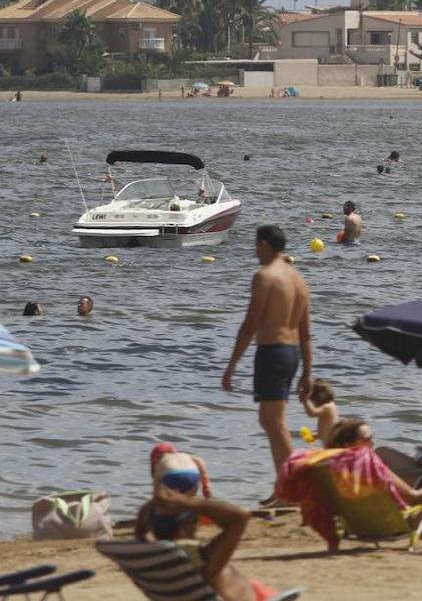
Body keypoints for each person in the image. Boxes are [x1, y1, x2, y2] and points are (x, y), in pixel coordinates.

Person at [222, 225, 313, 500]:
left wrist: (232, 365)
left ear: (263, 245)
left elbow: (251, 322)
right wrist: (307, 372)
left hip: (273, 351)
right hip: (292, 352)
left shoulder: (265, 276)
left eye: (256, 245)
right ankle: (286, 486)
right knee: (271, 420)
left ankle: (293, 487)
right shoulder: (298, 279)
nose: (255, 251)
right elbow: (306, 332)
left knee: (274, 422)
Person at [134, 487, 282, 601]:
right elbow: (240, 516)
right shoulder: (199, 563)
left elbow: (141, 530)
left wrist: (150, 507)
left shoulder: (147, 564)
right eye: (195, 521)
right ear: (185, 527)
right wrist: (190, 502)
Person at [301, 379, 340, 447]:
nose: (313, 404)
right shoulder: (330, 407)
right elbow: (326, 430)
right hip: (331, 444)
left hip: (332, 445)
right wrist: (314, 436)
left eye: (312, 401)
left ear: (318, 398)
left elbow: (312, 413)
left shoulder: (327, 407)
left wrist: (305, 401)